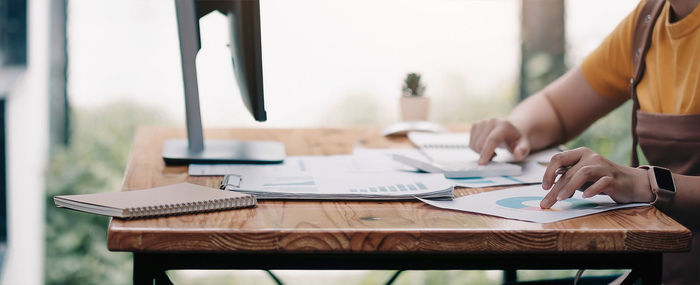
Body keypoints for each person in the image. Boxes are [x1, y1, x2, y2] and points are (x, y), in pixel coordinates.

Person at [468, 0, 700, 283]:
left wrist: (642, 183)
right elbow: (556, 108)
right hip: (663, 267)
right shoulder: (649, 20)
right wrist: (518, 128)